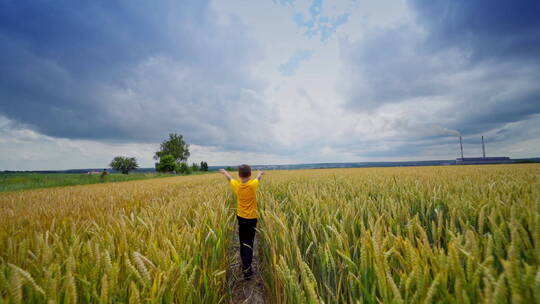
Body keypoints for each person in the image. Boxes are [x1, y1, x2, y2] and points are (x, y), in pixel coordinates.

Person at [219, 165, 265, 280]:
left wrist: (225, 172)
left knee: (242, 241)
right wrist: (260, 173)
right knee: (249, 243)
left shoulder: (237, 185)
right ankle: (247, 271)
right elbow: (258, 179)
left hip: (241, 217)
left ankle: (244, 264)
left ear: (239, 175)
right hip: (252, 219)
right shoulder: (252, 185)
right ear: (249, 175)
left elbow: (230, 179)